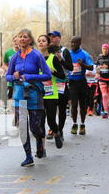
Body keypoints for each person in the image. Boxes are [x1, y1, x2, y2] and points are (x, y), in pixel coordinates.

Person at [6, 29, 51, 167]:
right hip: (20, 94)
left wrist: (31, 77)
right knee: (23, 127)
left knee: (35, 127)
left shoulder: (37, 55)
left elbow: (47, 75)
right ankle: (28, 156)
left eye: (25, 37)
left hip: (34, 93)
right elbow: (7, 76)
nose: (22, 39)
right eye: (20, 37)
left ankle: (40, 142)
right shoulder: (14, 57)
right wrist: (13, 76)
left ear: (30, 40)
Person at [41, 41, 67, 149]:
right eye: (39, 41)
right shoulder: (36, 58)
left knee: (50, 120)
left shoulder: (53, 58)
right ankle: (41, 148)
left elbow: (62, 75)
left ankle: (56, 133)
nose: (41, 42)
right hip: (39, 93)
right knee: (40, 122)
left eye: (43, 41)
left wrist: (53, 72)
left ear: (47, 44)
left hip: (51, 93)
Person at [68, 36, 94, 135]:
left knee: (83, 105)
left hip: (81, 81)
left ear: (79, 43)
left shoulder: (84, 54)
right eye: (71, 43)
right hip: (72, 82)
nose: (72, 45)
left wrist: (82, 64)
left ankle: (82, 125)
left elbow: (91, 67)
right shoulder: (69, 54)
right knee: (74, 105)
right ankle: (74, 124)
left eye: (74, 43)